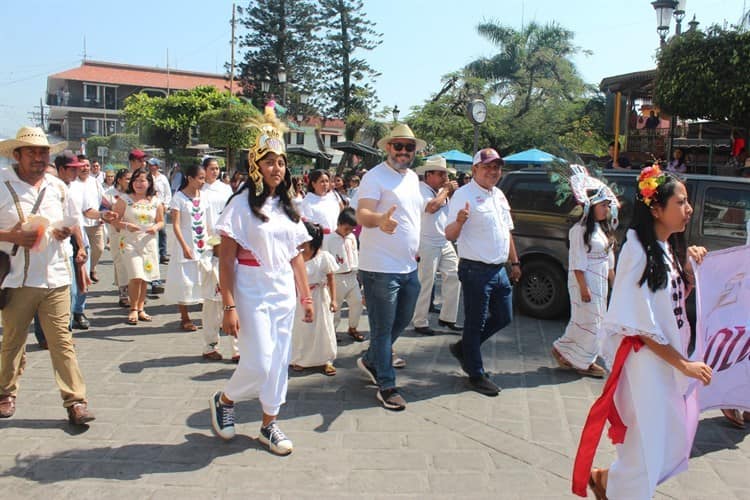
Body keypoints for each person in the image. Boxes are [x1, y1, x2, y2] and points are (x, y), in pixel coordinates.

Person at [572, 165, 712, 499]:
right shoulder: (636, 248)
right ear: (655, 208)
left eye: (687, 201)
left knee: (656, 444)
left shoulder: (666, 247)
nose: (688, 209)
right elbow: (639, 324)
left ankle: (607, 481)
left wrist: (692, 268)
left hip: (665, 363)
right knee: (649, 447)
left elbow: (670, 304)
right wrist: (684, 365)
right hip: (645, 364)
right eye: (681, 202)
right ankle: (616, 487)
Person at [209, 110, 313, 456]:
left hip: (282, 287)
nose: (276, 168)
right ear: (255, 165)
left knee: (279, 359)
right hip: (250, 286)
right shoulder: (239, 205)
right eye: (269, 162)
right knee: (259, 360)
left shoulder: (288, 205)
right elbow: (226, 259)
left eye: (281, 162)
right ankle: (224, 399)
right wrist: (229, 305)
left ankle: (269, 424)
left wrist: (306, 296)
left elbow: (295, 253)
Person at [0, 126, 95, 425]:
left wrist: (71, 239)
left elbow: (72, 221)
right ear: (17, 154)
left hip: (55, 275)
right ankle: (5, 393)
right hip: (16, 279)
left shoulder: (57, 187)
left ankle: (76, 401)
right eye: (32, 152)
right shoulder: (2, 184)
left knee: (62, 341)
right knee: (13, 340)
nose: (39, 158)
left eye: (43, 152)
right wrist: (11, 236)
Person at [354, 123, 424, 411]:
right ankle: (386, 384)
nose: (404, 152)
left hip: (408, 266)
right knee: (383, 329)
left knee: (403, 319)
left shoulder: (412, 179)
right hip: (380, 267)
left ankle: (372, 358)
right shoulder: (374, 177)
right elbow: (362, 214)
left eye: (409, 147)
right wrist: (380, 219)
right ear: (387, 148)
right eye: (399, 146)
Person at [445, 148, 521, 396]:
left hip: (499, 269)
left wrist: (515, 262)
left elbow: (507, 231)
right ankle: (475, 373)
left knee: (504, 316)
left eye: (497, 167)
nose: (493, 171)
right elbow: (449, 234)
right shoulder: (463, 195)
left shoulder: (499, 195)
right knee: (475, 323)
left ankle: (464, 348)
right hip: (475, 269)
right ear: (475, 169)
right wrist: (460, 221)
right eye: (487, 166)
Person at [165, 164, 239, 364]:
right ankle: (209, 345)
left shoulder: (204, 197)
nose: (202, 181)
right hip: (189, 249)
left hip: (208, 250)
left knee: (229, 300)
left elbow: (208, 223)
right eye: (199, 178)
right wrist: (184, 247)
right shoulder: (179, 199)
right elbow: (177, 225)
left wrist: (216, 241)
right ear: (189, 178)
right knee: (208, 301)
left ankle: (237, 348)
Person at [551, 167, 619, 378]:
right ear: (591, 206)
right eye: (603, 205)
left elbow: (609, 261)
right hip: (584, 279)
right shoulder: (578, 231)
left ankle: (567, 351)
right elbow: (576, 261)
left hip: (599, 281)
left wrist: (613, 282)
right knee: (588, 320)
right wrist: (583, 287)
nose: (607, 209)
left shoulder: (603, 230)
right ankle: (581, 360)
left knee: (597, 320)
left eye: (608, 205)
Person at [412, 156, 462, 335]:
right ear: (428, 174)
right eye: (441, 174)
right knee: (426, 282)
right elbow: (432, 207)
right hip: (427, 242)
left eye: (445, 174)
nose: (444, 178)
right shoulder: (421, 190)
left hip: (443, 240)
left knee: (454, 275)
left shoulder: (440, 191)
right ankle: (420, 321)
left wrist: (447, 192)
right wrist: (447, 190)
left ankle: (448, 317)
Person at [112, 168, 164, 325]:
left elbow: (161, 221)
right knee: (135, 275)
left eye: (143, 180)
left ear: (149, 183)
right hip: (129, 241)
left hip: (148, 242)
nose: (139, 184)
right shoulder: (124, 199)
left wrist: (155, 228)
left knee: (145, 278)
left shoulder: (155, 201)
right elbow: (114, 220)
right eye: (136, 180)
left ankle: (141, 308)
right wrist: (127, 226)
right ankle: (133, 308)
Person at [290, 221, 339, 375]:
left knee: (323, 328)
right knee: (301, 329)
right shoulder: (293, 255)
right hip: (299, 298)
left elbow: (331, 278)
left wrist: (334, 299)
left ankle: (326, 360)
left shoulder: (324, 257)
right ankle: (299, 359)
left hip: (319, 297)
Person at [323, 207, 364, 342]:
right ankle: (332, 331)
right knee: (336, 306)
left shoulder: (351, 237)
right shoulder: (329, 239)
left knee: (357, 302)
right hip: (337, 277)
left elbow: (354, 252)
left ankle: (353, 327)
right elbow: (325, 259)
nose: (348, 232)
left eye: (351, 229)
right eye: (346, 229)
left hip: (352, 275)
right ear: (339, 223)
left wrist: (358, 272)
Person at [104, 169, 132, 308]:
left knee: (132, 263)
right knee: (120, 262)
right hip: (116, 232)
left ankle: (135, 293)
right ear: (119, 180)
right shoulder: (109, 194)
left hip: (132, 233)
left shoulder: (135, 194)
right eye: (127, 179)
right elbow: (104, 212)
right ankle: (123, 294)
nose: (129, 181)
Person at [299, 169, 342, 233]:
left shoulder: (332, 196)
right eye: (322, 181)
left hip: (336, 237)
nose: (325, 184)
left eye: (327, 181)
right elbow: (307, 225)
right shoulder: (307, 202)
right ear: (313, 184)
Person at [148, 158, 172, 269]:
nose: (150, 167)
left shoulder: (163, 178)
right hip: (150, 206)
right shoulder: (147, 177)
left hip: (161, 206)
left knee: (162, 231)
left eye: (153, 165)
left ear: (157, 166)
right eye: (149, 165)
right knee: (150, 230)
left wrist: (166, 205)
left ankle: (163, 253)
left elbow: (168, 193)